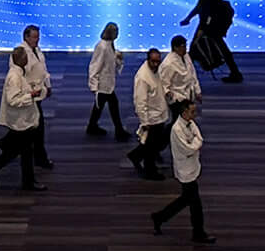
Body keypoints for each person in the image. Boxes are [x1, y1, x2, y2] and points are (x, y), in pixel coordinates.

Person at [151, 98, 213, 243]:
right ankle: (198, 233)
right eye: (192, 111)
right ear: (184, 112)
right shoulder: (177, 129)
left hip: (191, 167)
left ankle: (159, 217)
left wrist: (196, 143)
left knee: (186, 199)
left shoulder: (190, 123)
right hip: (185, 170)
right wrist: (196, 143)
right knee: (195, 204)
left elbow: (199, 138)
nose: (195, 114)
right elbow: (189, 148)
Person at [0, 44, 44, 190]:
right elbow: (13, 100)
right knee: (22, 151)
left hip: (22, 120)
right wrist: (30, 95)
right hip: (20, 120)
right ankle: (24, 181)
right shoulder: (15, 77)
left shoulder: (18, 74)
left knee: (21, 150)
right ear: (22, 60)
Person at [183, 0, 243, 83]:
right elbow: (200, 7)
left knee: (196, 48)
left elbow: (207, 10)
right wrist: (188, 18)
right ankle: (235, 73)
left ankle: (186, 77)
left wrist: (202, 27)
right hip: (210, 24)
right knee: (218, 48)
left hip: (212, 25)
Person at [128, 47, 170, 179]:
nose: (156, 64)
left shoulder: (156, 71)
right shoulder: (143, 78)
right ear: (148, 60)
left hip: (159, 114)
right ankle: (150, 171)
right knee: (152, 147)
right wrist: (145, 121)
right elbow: (140, 101)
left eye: (158, 61)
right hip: (152, 118)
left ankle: (136, 155)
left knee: (155, 143)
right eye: (154, 62)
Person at [86, 21, 130, 139]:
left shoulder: (109, 44)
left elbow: (109, 58)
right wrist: (94, 85)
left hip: (106, 83)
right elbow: (95, 65)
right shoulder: (102, 46)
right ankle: (119, 131)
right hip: (102, 84)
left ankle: (92, 126)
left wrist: (117, 56)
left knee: (100, 106)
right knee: (112, 105)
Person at [21, 24, 54, 167]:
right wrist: (29, 91)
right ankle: (40, 159)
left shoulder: (37, 50)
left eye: (38, 36)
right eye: (34, 37)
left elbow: (43, 69)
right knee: (36, 128)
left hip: (37, 94)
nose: (37, 39)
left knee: (36, 128)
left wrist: (48, 85)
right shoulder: (21, 53)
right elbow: (21, 76)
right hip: (28, 96)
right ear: (26, 37)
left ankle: (38, 157)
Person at [158, 34, 202, 119]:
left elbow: (192, 74)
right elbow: (163, 82)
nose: (185, 48)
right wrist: (167, 93)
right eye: (183, 46)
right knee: (178, 121)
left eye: (185, 46)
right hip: (177, 98)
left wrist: (197, 91)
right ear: (175, 48)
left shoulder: (186, 56)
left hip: (188, 95)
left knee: (186, 120)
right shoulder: (169, 64)